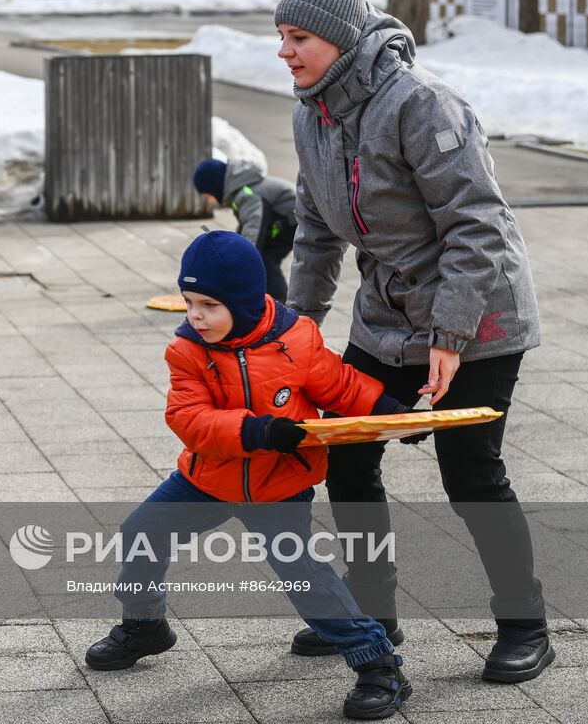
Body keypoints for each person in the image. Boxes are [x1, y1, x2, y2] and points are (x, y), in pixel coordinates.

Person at [276, 0, 551, 682]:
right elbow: (313, 231)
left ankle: (526, 623)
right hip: (387, 313)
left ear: (339, 38)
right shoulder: (314, 116)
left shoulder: (420, 104)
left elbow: (479, 226)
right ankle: (373, 617)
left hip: (480, 313)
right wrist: (295, 333)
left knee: (471, 473)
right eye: (281, 33)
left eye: (298, 34)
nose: (284, 48)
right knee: (348, 452)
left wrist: (451, 337)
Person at [86, 230, 416, 721]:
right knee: (139, 535)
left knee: (301, 574)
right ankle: (145, 626)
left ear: (242, 303)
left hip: (277, 484)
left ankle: (378, 663)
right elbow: (189, 420)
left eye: (209, 305)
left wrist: (391, 414)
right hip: (208, 478)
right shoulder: (188, 351)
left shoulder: (296, 338)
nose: (195, 315)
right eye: (189, 301)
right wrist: (257, 430)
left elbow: (340, 385)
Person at [193, 156, 296, 300]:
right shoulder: (242, 187)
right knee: (254, 255)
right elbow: (245, 226)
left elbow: (253, 229)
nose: (210, 201)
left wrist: (241, 260)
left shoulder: (247, 194)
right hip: (279, 220)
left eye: (208, 196)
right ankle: (264, 298)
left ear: (215, 186)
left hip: (292, 220)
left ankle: (280, 305)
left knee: (265, 259)